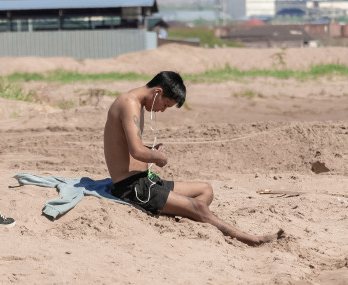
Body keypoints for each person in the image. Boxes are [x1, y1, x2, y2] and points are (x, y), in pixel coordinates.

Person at [104, 71, 283, 246]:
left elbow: (128, 147)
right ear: (157, 92)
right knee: (200, 207)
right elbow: (136, 151)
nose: (162, 110)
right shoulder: (129, 103)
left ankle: (185, 210)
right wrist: (159, 157)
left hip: (144, 180)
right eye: (165, 104)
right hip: (132, 188)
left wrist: (152, 150)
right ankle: (250, 239)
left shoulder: (135, 103)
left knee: (205, 190)